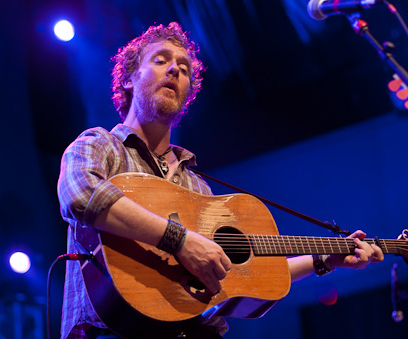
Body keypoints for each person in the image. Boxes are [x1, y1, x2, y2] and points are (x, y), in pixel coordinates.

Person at [57, 22, 384, 339]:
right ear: (129, 78)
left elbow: (248, 278)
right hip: (111, 330)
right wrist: (180, 240)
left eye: (184, 68)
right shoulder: (100, 146)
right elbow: (81, 195)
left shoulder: (197, 187)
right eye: (161, 61)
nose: (175, 70)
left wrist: (324, 258)